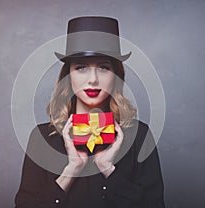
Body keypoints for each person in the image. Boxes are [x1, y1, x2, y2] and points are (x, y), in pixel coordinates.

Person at [15, 16, 165, 208]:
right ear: (68, 76)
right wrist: (71, 170)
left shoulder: (140, 136)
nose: (93, 79)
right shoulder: (41, 138)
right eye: (81, 68)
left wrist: (109, 169)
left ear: (116, 76)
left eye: (103, 67)